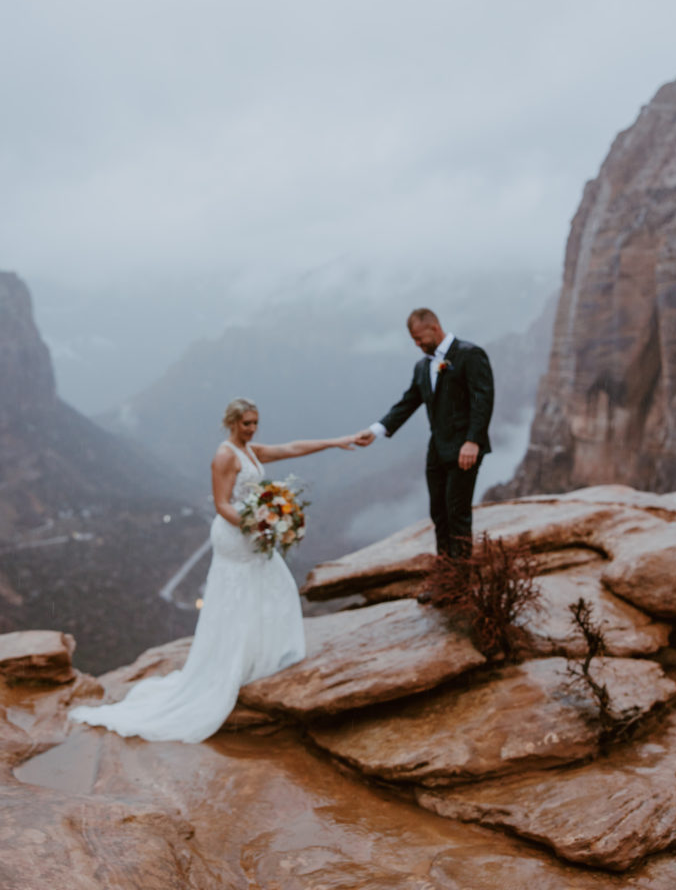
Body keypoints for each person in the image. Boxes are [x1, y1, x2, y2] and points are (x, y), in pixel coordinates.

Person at [69, 398, 356, 743]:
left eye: (255, 423)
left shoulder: (249, 451)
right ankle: (232, 665)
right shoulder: (225, 456)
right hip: (236, 536)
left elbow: (291, 448)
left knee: (273, 585)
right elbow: (221, 505)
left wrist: (337, 442)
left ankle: (262, 657)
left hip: (253, 532)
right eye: (246, 424)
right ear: (232, 423)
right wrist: (256, 524)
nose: (252, 429)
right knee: (242, 595)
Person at [355, 309, 494, 588]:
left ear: (435, 327)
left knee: (457, 512)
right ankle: (445, 573)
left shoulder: (469, 354)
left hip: (465, 448)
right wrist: (376, 431)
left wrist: (473, 440)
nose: (417, 344)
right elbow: (408, 402)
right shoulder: (422, 367)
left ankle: (460, 581)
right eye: (413, 340)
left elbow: (483, 397)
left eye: (419, 338)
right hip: (437, 448)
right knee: (439, 512)